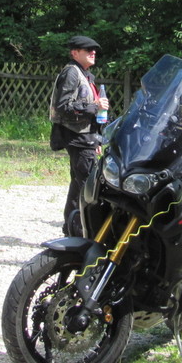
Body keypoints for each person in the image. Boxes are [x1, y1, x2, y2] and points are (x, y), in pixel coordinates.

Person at [49, 35, 108, 236]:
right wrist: (94, 106)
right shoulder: (71, 73)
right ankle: (89, 233)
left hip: (85, 137)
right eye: (88, 50)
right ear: (75, 53)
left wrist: (97, 137)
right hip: (76, 137)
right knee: (89, 187)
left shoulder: (85, 74)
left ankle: (72, 228)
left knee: (78, 185)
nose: (93, 52)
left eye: (94, 50)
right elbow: (63, 107)